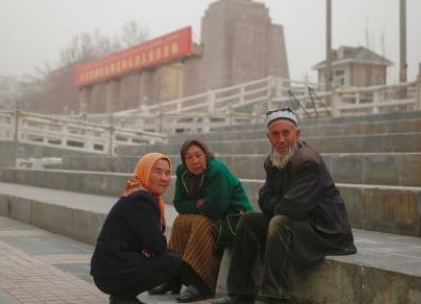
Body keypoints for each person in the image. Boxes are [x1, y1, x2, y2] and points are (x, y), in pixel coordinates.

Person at [213, 108, 357, 304]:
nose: (281, 140)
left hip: (325, 230)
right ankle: (240, 292)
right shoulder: (272, 161)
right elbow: (264, 199)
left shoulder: (308, 161)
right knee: (248, 220)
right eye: (275, 134)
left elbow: (293, 208)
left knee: (279, 222)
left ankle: (275, 295)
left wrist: (278, 203)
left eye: (286, 133)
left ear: (297, 134)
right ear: (268, 137)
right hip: (300, 221)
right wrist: (280, 203)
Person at [149, 139, 252, 302]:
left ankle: (202, 284)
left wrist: (197, 206)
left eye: (199, 155)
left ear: (206, 155)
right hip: (211, 217)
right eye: (189, 157)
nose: (195, 161)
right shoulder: (182, 172)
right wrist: (198, 203)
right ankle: (173, 278)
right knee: (180, 221)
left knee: (201, 223)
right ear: (184, 160)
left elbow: (215, 210)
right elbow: (178, 204)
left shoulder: (217, 172)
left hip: (233, 221)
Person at [91, 153, 181, 304]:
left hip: (108, 269)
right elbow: (157, 244)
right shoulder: (141, 199)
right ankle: (122, 298)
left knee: (169, 256)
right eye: (158, 171)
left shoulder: (136, 192)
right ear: (145, 171)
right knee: (172, 262)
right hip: (112, 271)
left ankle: (123, 297)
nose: (164, 178)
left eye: (167, 173)